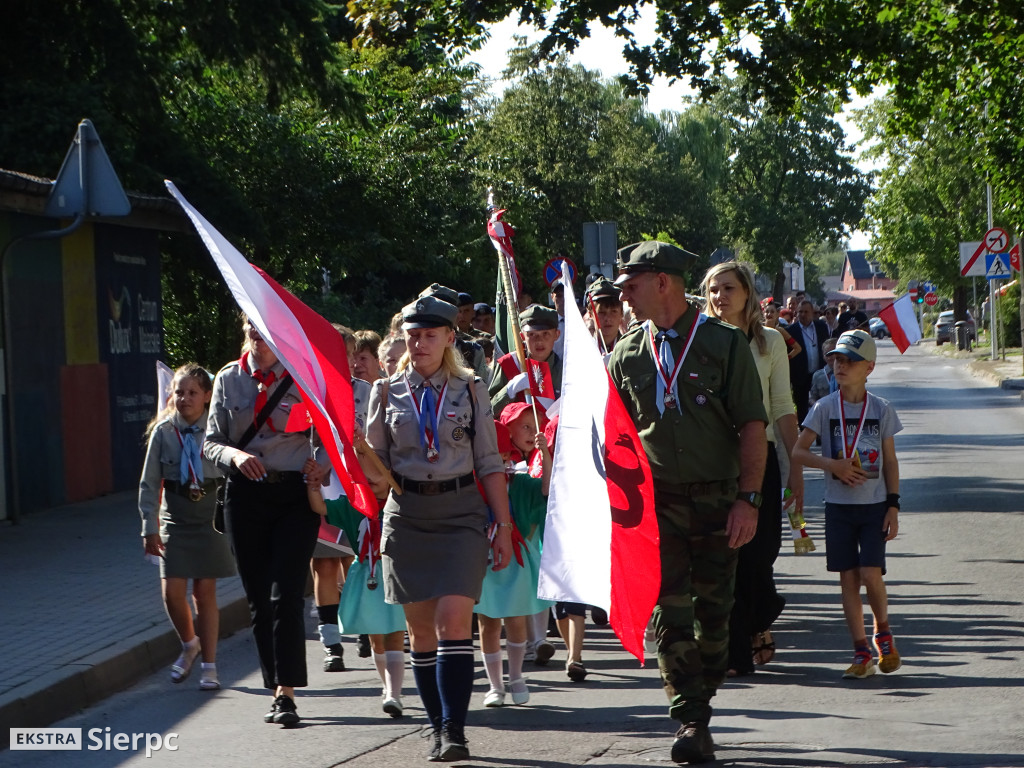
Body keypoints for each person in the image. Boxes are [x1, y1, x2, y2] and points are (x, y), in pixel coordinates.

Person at [609, 241, 767, 765]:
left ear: (663, 283)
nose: (624, 297)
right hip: (658, 506)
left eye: (632, 286)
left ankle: (704, 688)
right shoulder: (627, 353)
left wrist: (748, 500)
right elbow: (614, 434)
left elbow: (752, 426)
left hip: (720, 500)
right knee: (669, 613)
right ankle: (691, 720)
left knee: (715, 619)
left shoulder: (723, 345)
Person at [365, 295, 512, 762]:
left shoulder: (471, 389)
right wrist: (358, 460)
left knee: (454, 621)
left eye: (431, 335)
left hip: (462, 512)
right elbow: (374, 467)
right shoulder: (386, 392)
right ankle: (435, 725)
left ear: (450, 338)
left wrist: (503, 527)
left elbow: (489, 462)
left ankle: (454, 729)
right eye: (413, 335)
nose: (421, 342)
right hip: (407, 516)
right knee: (422, 632)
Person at [204, 317, 327, 727]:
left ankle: (287, 693)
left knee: (285, 593)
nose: (257, 335)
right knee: (259, 598)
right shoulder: (229, 378)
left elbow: (332, 433)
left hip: (294, 495)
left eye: (264, 328)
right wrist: (236, 457)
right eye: (250, 327)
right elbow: (210, 442)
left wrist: (320, 469)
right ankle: (275, 687)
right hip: (246, 495)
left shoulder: (302, 375)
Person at [702, 262, 803, 677]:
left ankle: (759, 619)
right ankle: (734, 651)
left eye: (728, 288)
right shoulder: (701, 340)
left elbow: (782, 406)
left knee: (761, 556)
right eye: (712, 290)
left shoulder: (771, 343)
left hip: (759, 458)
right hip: (714, 460)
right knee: (728, 558)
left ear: (747, 292)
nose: (719, 296)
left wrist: (795, 469)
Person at [792, 330, 903, 679]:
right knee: (848, 579)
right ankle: (860, 652)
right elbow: (798, 451)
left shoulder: (881, 408)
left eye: (849, 361)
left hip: (873, 506)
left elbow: (890, 461)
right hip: (838, 506)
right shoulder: (824, 408)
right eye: (836, 360)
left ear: (869, 367)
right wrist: (833, 465)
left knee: (871, 573)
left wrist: (893, 506)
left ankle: (882, 632)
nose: (840, 366)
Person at [139, 363, 235, 690]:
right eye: (179, 392)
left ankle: (209, 665)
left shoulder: (218, 430)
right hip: (175, 517)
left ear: (207, 396)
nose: (185, 398)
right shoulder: (164, 431)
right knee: (171, 591)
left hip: (210, 516)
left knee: (204, 593)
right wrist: (148, 526)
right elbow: (149, 483)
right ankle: (189, 644)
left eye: (193, 392)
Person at [303, 462, 408, 718]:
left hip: (398, 575)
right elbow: (321, 508)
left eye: (376, 471)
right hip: (368, 577)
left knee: (395, 634)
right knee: (375, 638)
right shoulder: (354, 505)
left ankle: (394, 693)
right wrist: (314, 486)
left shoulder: (405, 504)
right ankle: (386, 686)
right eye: (363, 472)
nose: (370, 477)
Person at [476, 412, 553, 707]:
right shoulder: (474, 488)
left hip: (517, 563)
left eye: (503, 454)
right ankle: (495, 685)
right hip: (484, 563)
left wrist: (544, 453)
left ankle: (517, 676)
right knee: (488, 623)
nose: (499, 461)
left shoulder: (519, 484)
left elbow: (546, 489)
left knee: (516, 620)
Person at [489, 304, 563, 415]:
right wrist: (509, 390)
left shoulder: (566, 369)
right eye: (532, 334)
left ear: (557, 335)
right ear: (522, 336)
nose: (539, 341)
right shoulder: (508, 364)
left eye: (545, 334)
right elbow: (487, 412)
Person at [789, 299, 831, 424]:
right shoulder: (791, 330)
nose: (802, 314)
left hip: (819, 373)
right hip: (800, 375)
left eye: (806, 312)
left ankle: (820, 432)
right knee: (801, 405)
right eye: (800, 312)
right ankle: (804, 431)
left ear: (812, 312)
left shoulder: (821, 327)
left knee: (820, 403)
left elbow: (827, 346)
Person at [585, 276, 625, 356]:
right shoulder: (582, 351)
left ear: (622, 314)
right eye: (602, 312)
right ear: (590, 314)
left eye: (614, 311)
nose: (608, 318)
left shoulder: (632, 348)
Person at [809, 338, 839, 407]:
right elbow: (813, 397)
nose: (829, 357)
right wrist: (817, 406)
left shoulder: (847, 373)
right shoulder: (818, 375)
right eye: (826, 354)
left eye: (832, 353)